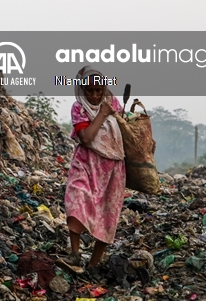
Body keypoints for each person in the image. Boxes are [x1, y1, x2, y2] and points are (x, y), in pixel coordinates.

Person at [63, 66, 125, 271]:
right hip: (86, 162)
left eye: (99, 90)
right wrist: (104, 113)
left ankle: (93, 264)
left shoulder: (114, 102)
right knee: (77, 197)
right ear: (82, 89)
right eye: (89, 90)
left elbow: (125, 128)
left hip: (113, 167)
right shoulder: (79, 108)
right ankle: (75, 254)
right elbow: (87, 138)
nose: (95, 95)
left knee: (108, 214)